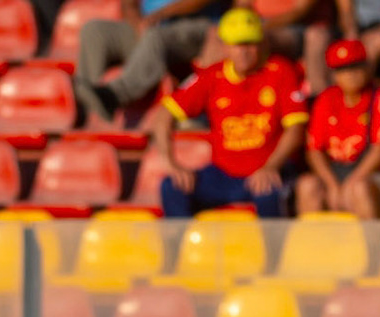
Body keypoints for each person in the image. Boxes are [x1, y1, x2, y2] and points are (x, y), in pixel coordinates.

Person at [152, 7, 308, 219]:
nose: (244, 51)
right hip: (223, 173)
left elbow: (296, 129)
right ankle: (181, 241)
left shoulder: (281, 71)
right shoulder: (212, 76)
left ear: (262, 43)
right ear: (225, 46)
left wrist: (271, 166)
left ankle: (274, 243)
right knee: (172, 186)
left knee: (268, 191)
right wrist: (171, 164)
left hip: (269, 169)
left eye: (250, 43)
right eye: (237, 44)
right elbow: (164, 115)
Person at [296, 37, 380, 216]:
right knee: (307, 185)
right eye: (343, 69)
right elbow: (314, 150)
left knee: (358, 189)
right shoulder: (326, 100)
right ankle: (315, 236)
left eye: (356, 66)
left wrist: (349, 185)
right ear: (334, 75)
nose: (351, 74)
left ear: (367, 68)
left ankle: (372, 235)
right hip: (339, 174)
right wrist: (332, 185)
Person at [73, 0, 227, 127]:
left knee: (155, 37)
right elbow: (128, 4)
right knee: (94, 31)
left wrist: (160, 15)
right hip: (151, 26)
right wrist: (138, 24)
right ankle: (86, 101)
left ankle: (114, 97)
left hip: (196, 28)